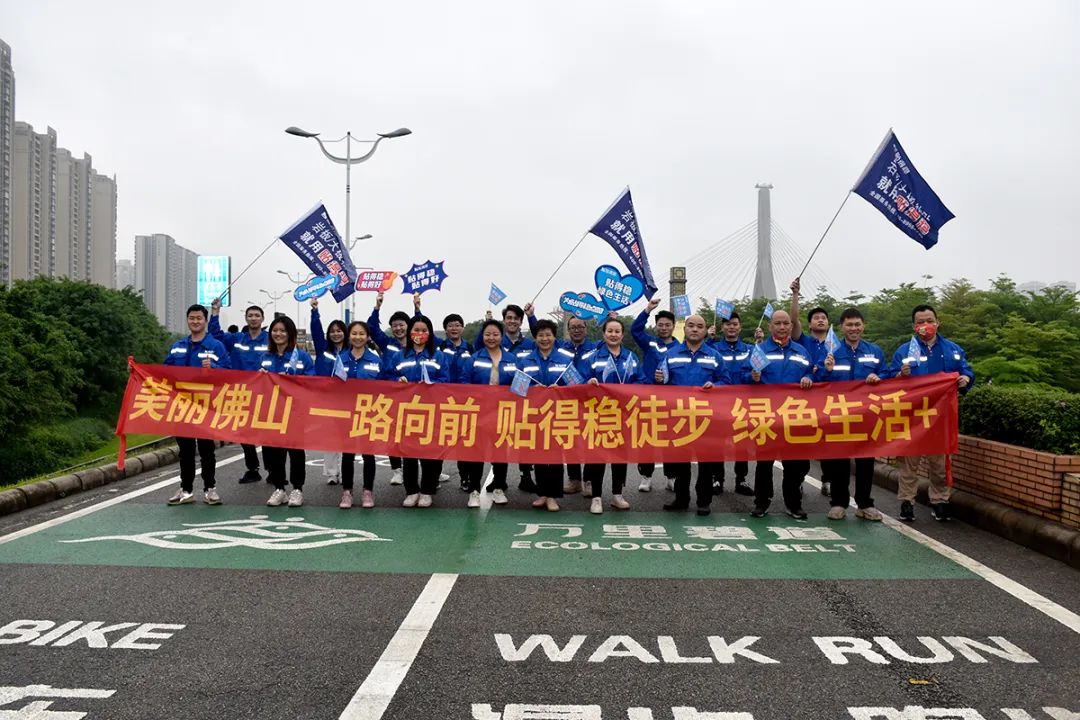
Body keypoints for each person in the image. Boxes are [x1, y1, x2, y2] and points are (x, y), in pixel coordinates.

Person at [889, 304, 974, 522]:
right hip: (912, 416)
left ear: (938, 322)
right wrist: (900, 375)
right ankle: (907, 502)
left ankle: (940, 501)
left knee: (939, 464)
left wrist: (966, 379)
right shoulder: (904, 351)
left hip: (940, 417)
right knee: (909, 463)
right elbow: (889, 380)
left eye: (929, 321)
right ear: (914, 326)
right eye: (920, 322)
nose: (925, 325)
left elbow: (966, 371)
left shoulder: (953, 350)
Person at [815, 307, 886, 522]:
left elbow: (887, 374)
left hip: (866, 416)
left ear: (863, 326)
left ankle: (864, 504)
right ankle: (839, 503)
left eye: (857, 324)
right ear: (842, 327)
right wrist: (826, 370)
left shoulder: (875, 352)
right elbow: (815, 379)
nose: (853, 328)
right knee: (839, 462)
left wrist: (879, 377)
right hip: (838, 416)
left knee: (866, 462)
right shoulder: (831, 352)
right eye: (849, 325)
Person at [654, 315, 729, 516]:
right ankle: (681, 498)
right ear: (684, 329)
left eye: (699, 326)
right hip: (679, 417)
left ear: (705, 331)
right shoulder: (670, 355)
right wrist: (659, 379)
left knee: (706, 462)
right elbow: (661, 384)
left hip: (706, 418)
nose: (695, 329)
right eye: (691, 326)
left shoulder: (714, 356)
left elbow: (726, 381)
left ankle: (704, 501)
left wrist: (716, 386)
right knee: (680, 461)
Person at [747, 309, 815, 520]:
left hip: (793, 416)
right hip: (766, 415)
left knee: (794, 464)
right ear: (770, 326)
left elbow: (813, 371)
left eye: (786, 323)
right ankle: (761, 502)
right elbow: (742, 375)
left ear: (791, 326)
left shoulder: (801, 352)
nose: (782, 327)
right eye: (778, 323)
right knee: (764, 463)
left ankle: (793, 504)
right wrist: (752, 376)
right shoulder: (759, 351)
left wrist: (809, 377)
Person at [577, 317, 645, 514]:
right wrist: (588, 383)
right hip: (598, 414)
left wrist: (630, 389)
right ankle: (596, 497)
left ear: (622, 335)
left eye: (617, 331)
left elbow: (641, 381)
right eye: (610, 331)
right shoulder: (593, 357)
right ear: (604, 334)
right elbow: (580, 381)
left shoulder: (631, 357)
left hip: (623, 415)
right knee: (598, 457)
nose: (613, 335)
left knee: (620, 456)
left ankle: (617, 494)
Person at [164, 304, 231, 506]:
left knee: (206, 449)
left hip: (206, 406)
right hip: (182, 406)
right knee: (185, 451)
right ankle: (186, 489)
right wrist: (137, 370)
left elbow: (229, 373)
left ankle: (210, 488)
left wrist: (214, 367)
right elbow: (164, 371)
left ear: (205, 321)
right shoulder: (178, 346)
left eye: (199, 318)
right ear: (188, 321)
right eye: (192, 318)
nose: (195, 321)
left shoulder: (216, 346)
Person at [516, 319, 579, 512]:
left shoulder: (564, 360)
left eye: (548, 335)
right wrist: (533, 390)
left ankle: (553, 496)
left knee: (556, 456)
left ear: (554, 337)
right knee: (539, 455)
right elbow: (517, 390)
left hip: (558, 415)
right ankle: (542, 493)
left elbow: (577, 385)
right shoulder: (526, 361)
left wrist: (560, 390)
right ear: (535, 338)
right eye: (541, 335)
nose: (545, 339)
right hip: (535, 415)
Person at [457, 319, 519, 507]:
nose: (491, 338)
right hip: (480, 412)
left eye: (495, 334)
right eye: (487, 334)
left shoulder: (512, 359)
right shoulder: (474, 359)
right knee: (476, 452)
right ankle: (474, 491)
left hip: (503, 412)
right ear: (482, 336)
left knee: (500, 451)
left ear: (502, 336)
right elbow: (463, 382)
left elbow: (520, 384)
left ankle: (499, 488)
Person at [391, 315, 450, 507]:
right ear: (410, 332)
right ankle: (411, 491)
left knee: (429, 453)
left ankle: (427, 491)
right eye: (416, 330)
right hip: (406, 411)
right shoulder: (399, 356)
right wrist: (397, 381)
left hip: (430, 411)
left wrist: (432, 383)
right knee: (408, 454)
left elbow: (446, 380)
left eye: (424, 330)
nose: (420, 334)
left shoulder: (438, 356)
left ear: (430, 333)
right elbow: (388, 376)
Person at [209, 298, 267, 485]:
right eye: (250, 315)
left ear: (262, 319)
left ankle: (273, 469)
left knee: (267, 432)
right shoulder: (236, 339)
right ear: (246, 318)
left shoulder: (270, 339)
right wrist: (215, 312)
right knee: (244, 432)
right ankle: (253, 469)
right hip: (241, 393)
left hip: (265, 393)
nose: (253, 318)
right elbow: (215, 336)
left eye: (257, 315)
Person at [259, 316, 315, 508]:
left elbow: (312, 381)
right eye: (275, 330)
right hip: (272, 412)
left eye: (283, 330)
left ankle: (297, 489)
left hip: (295, 412)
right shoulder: (266, 357)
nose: (278, 334)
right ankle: (279, 488)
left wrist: (292, 379)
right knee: (275, 452)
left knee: (296, 451)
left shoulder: (301, 357)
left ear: (290, 333)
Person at [482, 303, 537, 491]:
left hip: (523, 399)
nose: (512, 321)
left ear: (521, 321)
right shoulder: (496, 340)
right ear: (504, 320)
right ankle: (499, 479)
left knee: (524, 439)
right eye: (509, 318)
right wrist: (487, 323)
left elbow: (540, 334)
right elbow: (479, 348)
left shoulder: (530, 344)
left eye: (516, 318)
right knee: (499, 440)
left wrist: (532, 316)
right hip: (497, 403)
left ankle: (526, 477)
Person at [789, 276, 833, 497]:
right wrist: (796, 295)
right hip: (804, 400)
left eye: (823, 318)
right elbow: (793, 320)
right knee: (804, 442)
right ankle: (798, 479)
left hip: (828, 401)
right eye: (816, 318)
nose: (820, 320)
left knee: (827, 442)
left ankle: (828, 479)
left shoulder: (836, 345)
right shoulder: (802, 342)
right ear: (810, 324)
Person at [368, 291, 417, 487]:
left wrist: (417, 308)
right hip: (392, 396)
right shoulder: (387, 344)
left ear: (408, 326)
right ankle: (397, 470)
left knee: (415, 433)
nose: (398, 328)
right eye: (394, 325)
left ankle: (427, 470)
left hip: (415, 398)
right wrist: (377, 307)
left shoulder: (418, 345)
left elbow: (423, 325)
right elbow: (372, 328)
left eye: (401, 324)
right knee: (393, 434)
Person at [629, 298, 679, 492]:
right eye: (660, 325)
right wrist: (647, 310)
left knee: (671, 439)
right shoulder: (650, 343)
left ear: (673, 326)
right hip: (649, 398)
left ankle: (671, 476)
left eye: (667, 325)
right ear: (656, 326)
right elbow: (635, 330)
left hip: (671, 400)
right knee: (647, 437)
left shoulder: (680, 348)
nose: (664, 328)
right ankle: (646, 476)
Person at [337, 320, 384, 509]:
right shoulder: (341, 359)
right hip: (346, 414)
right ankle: (347, 492)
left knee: (368, 454)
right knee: (347, 454)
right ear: (349, 336)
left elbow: (384, 386)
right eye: (354, 334)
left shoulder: (375, 360)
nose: (358, 337)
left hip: (369, 413)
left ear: (367, 337)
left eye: (361, 334)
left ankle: (367, 491)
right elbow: (332, 386)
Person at [707, 311, 753, 496]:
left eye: (734, 324)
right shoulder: (714, 349)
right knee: (718, 442)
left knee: (742, 443)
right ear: (722, 328)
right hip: (720, 403)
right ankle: (717, 479)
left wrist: (752, 376)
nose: (731, 327)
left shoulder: (750, 350)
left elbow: (756, 372)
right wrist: (709, 339)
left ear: (740, 327)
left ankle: (741, 480)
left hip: (743, 404)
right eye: (728, 324)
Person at [553, 315, 597, 496]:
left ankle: (589, 480)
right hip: (567, 401)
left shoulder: (595, 348)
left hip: (589, 401)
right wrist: (531, 316)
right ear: (568, 330)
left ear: (586, 329)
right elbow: (542, 333)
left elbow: (614, 337)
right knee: (570, 441)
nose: (577, 330)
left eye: (580, 327)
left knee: (590, 441)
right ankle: (574, 480)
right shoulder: (561, 349)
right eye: (573, 327)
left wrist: (610, 318)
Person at [309, 298, 348, 485]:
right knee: (330, 437)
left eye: (339, 330)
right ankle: (332, 474)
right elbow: (316, 331)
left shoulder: (351, 352)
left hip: (347, 400)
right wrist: (314, 312)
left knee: (347, 438)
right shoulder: (323, 348)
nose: (336, 334)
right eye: (332, 331)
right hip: (326, 400)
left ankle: (346, 473)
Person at [438, 312, 473, 490]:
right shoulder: (439, 347)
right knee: (438, 440)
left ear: (462, 328)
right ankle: (434, 476)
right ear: (445, 329)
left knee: (463, 441)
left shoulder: (470, 348)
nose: (454, 328)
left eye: (457, 325)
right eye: (450, 325)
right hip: (442, 400)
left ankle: (465, 477)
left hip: (464, 401)